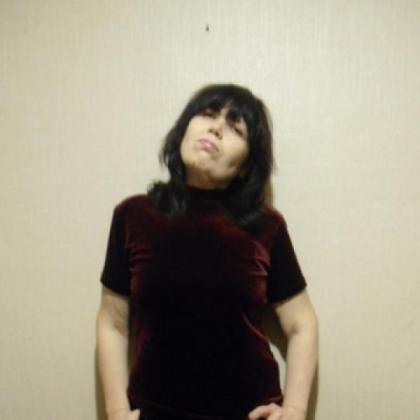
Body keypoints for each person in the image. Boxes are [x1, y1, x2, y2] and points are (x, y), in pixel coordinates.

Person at [96, 83, 318, 420]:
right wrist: (116, 412)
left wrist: (295, 410)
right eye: (208, 114)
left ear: (246, 165)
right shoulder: (133, 216)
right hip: (155, 412)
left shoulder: (266, 227)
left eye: (235, 128)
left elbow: (302, 323)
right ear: (184, 129)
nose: (216, 128)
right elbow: (112, 323)